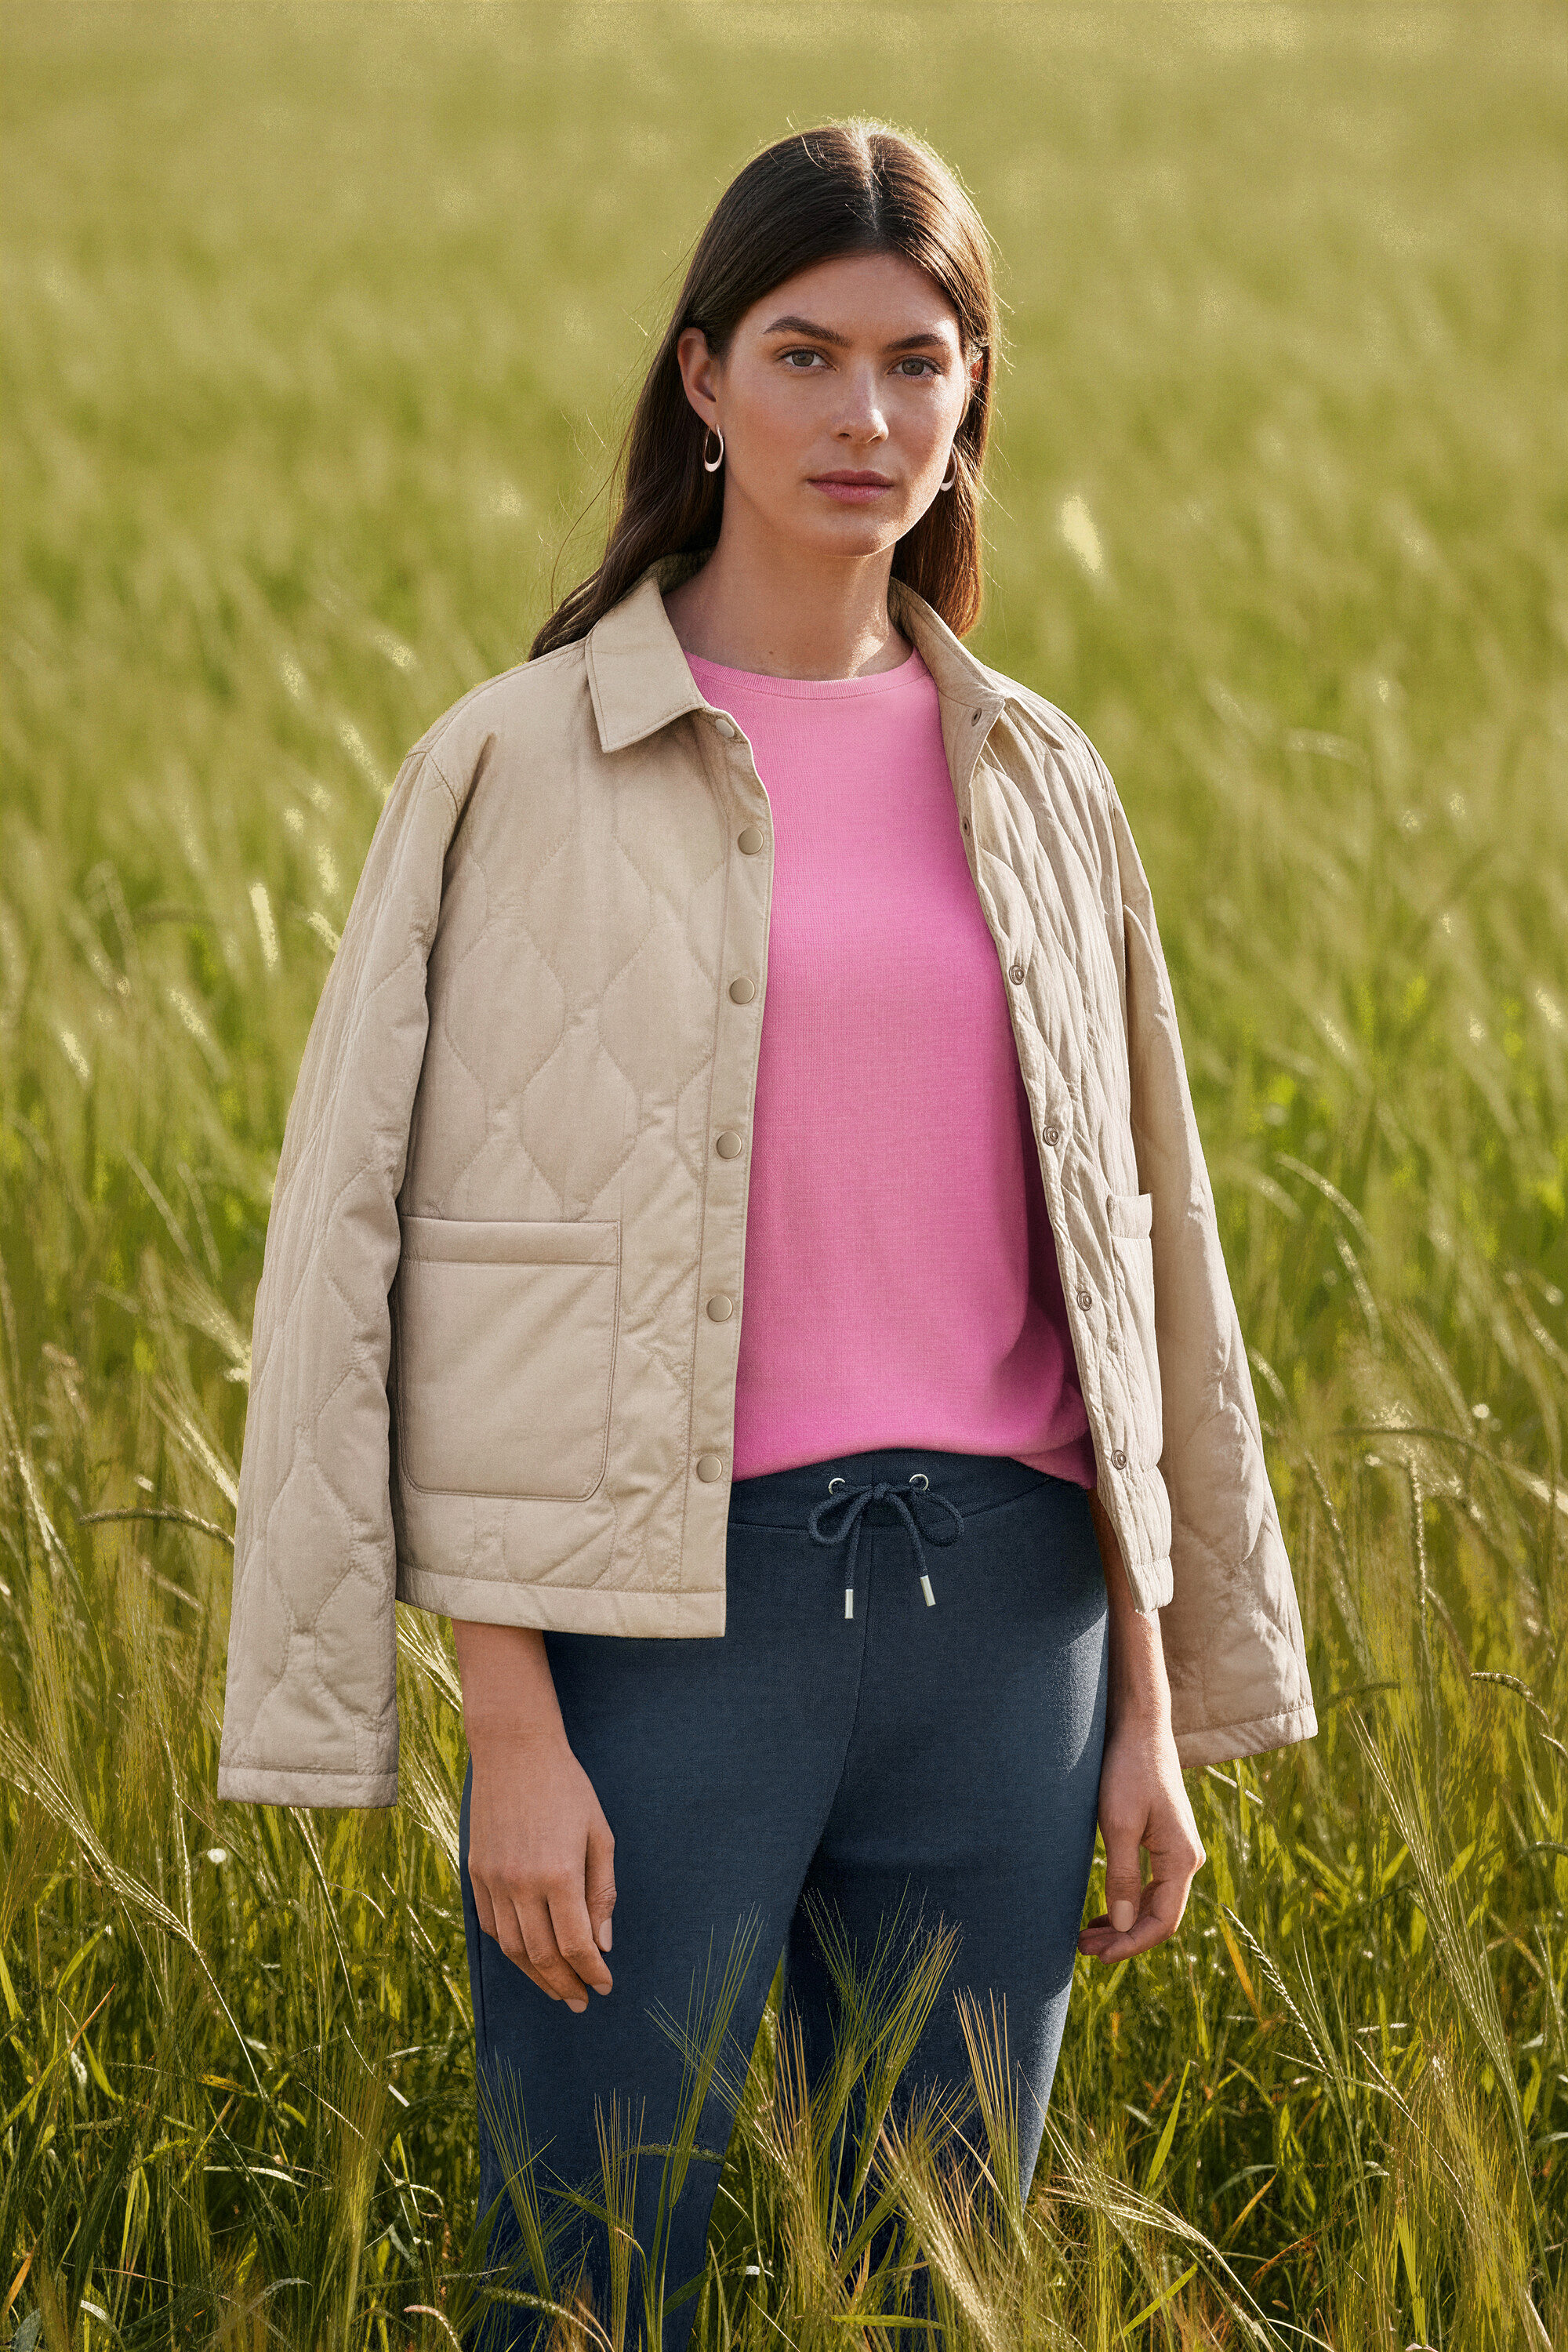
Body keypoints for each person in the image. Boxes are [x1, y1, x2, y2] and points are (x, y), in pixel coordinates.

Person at [216, 118, 1317, 2350]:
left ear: (972, 402)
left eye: (922, 364)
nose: (868, 417)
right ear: (701, 377)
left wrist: (1149, 1708)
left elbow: (1139, 1254)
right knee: (587, 2291)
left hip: (1010, 1639)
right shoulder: (518, 770)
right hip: (658, 1645)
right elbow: (394, 1258)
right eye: (807, 356)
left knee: (948, 2298)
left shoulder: (1041, 777)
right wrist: (505, 1722)